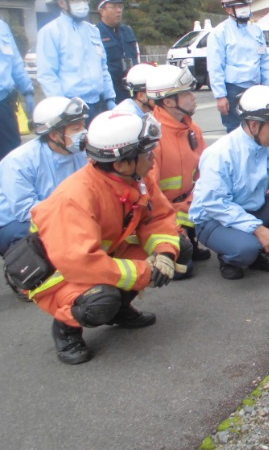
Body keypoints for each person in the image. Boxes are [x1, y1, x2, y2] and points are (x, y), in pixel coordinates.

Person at [24, 110, 183, 364]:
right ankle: (67, 329)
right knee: (99, 301)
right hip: (57, 274)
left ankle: (119, 311)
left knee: (176, 249)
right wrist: (145, 272)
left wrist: (164, 252)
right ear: (121, 163)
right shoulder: (74, 198)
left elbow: (158, 217)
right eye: (147, 153)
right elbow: (80, 263)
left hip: (101, 254)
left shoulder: (136, 178)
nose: (153, 158)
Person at [190, 85, 269, 280]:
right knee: (246, 249)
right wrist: (257, 229)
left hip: (247, 211)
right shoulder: (220, 153)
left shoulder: (266, 144)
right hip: (214, 220)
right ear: (254, 125)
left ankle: (259, 254)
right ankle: (230, 257)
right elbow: (215, 205)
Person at [0, 97, 88, 270]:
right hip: (14, 222)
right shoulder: (19, 161)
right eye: (76, 129)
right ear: (54, 134)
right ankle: (25, 271)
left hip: (63, 213)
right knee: (31, 234)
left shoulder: (82, 153)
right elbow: (25, 210)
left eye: (83, 126)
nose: (83, 132)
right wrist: (72, 215)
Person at [145, 65, 211, 276]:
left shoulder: (191, 129)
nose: (194, 97)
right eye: (186, 93)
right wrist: (173, 228)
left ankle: (188, 237)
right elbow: (150, 196)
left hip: (187, 206)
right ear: (168, 101)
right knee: (183, 270)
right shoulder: (152, 137)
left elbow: (205, 172)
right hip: (163, 214)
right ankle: (175, 243)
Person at [36, 0, 117, 122]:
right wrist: (63, 107)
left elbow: (102, 67)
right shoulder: (51, 32)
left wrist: (110, 97)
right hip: (71, 106)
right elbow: (47, 74)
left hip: (98, 104)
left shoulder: (93, 31)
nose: (82, 3)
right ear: (62, 2)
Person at [207, 0, 269, 133]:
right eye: (239, 5)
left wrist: (267, 86)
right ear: (228, 9)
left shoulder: (256, 30)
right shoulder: (219, 33)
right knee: (236, 132)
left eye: (246, 4)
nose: (244, 8)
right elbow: (215, 67)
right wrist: (220, 96)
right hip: (233, 90)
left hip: (256, 88)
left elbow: (265, 60)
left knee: (260, 131)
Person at [95, 0, 140, 103]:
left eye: (120, 7)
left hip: (131, 88)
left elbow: (136, 57)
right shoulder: (95, 33)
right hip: (111, 90)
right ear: (102, 11)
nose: (119, 10)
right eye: (114, 7)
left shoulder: (127, 31)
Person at [0, 19, 34, 161]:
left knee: (11, 155)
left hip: (3, 104)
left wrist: (28, 90)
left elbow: (15, 62)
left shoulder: (2, 27)